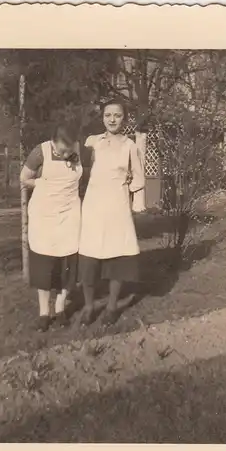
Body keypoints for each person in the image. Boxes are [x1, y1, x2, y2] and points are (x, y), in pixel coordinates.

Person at [78, 99, 145, 328]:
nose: (112, 119)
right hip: (94, 205)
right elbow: (81, 168)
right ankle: (88, 307)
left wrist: (132, 198)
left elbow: (138, 177)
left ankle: (112, 307)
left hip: (117, 206)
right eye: (108, 115)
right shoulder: (92, 142)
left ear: (124, 118)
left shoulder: (130, 146)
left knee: (117, 255)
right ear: (102, 118)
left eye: (117, 115)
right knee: (89, 255)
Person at [20, 123, 83, 332]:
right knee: (44, 264)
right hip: (45, 216)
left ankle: (60, 307)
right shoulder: (40, 152)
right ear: (52, 143)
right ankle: (44, 313)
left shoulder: (78, 150)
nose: (66, 154)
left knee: (67, 262)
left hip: (69, 214)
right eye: (61, 150)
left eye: (69, 150)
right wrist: (42, 183)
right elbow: (24, 178)